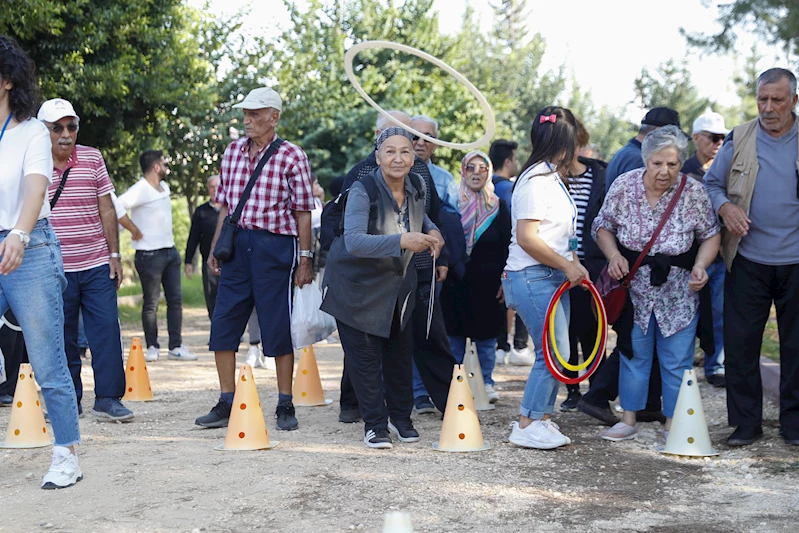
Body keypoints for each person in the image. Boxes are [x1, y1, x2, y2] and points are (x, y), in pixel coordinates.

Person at [196, 87, 315, 431]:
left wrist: (304, 259)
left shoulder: (292, 155)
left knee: (276, 324)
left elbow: (303, 212)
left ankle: (285, 403)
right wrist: (217, 246)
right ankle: (226, 401)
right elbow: (226, 206)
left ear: (274, 117)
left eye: (255, 114)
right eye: (245, 113)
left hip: (274, 245)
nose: (248, 120)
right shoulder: (232, 151)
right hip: (237, 245)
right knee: (224, 323)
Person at [593, 125, 720, 442]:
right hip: (634, 290)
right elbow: (603, 226)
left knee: (676, 360)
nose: (664, 171)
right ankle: (628, 418)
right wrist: (612, 257)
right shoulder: (624, 186)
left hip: (678, 292)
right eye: (657, 163)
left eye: (672, 164)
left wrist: (701, 266)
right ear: (646, 160)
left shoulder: (693, 192)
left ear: (681, 163)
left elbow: (710, 235)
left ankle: (672, 423)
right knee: (633, 355)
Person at [320, 126, 443, 448]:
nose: (398, 158)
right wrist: (403, 240)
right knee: (364, 359)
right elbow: (355, 241)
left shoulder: (417, 184)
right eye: (390, 151)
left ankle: (401, 418)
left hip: (396, 287)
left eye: (405, 151)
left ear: (414, 155)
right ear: (378, 156)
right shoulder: (363, 189)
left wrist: (434, 231)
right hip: (355, 288)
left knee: (400, 355)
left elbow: (420, 218)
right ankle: (375, 425)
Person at [0, 35, 82, 489]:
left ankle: (67, 452)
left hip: (29, 246)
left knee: (48, 360)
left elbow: (35, 188)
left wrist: (19, 232)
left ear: (8, 81)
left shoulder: (31, 130)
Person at [704, 68, 799, 447]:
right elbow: (712, 184)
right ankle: (746, 424)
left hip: (795, 261)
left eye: (777, 100)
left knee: (796, 345)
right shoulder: (739, 137)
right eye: (762, 99)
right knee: (741, 345)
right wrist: (725, 207)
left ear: (793, 100)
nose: (768, 107)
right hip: (747, 259)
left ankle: (793, 424)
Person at [577, 106, 681, 426]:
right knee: (633, 339)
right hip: (631, 263)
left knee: (637, 336)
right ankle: (598, 395)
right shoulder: (638, 162)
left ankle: (648, 402)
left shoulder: (624, 152)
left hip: (626, 261)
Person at [38, 97, 132, 421]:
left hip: (95, 263)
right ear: (43, 131)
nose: (66, 133)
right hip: (54, 266)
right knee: (61, 337)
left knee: (106, 330)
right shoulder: (34, 163)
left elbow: (107, 207)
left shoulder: (92, 158)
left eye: (71, 126)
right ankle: (68, 401)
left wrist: (115, 255)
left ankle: (108, 398)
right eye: (57, 127)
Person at [502, 106, 588, 449]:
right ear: (563, 144)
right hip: (533, 276)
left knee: (559, 352)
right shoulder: (536, 180)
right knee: (551, 353)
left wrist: (573, 263)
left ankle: (542, 418)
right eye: (574, 143)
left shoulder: (552, 178)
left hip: (553, 275)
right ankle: (526, 423)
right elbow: (527, 238)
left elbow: (562, 236)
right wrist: (567, 266)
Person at [441, 151, 510, 403]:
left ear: (489, 173)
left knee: (486, 338)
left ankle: (486, 383)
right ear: (463, 171)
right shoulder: (451, 204)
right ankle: (457, 385)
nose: (477, 172)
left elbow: (507, 245)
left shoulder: (498, 207)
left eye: (483, 168)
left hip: (488, 285)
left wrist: (505, 278)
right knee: (454, 337)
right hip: (456, 282)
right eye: (471, 167)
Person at [184, 175, 273, 369]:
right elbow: (193, 238)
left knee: (253, 302)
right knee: (213, 299)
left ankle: (258, 345)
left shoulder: (237, 207)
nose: (215, 190)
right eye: (211, 187)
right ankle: (223, 333)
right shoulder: (201, 212)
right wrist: (188, 261)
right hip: (212, 260)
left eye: (218, 186)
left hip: (237, 260)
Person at [117, 150, 197, 362]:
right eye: (163, 163)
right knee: (151, 302)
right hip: (149, 254)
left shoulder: (165, 187)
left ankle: (176, 346)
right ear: (155, 167)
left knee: (175, 300)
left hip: (170, 251)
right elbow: (117, 205)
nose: (166, 166)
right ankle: (152, 346)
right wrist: (133, 229)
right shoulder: (141, 189)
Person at [560, 119, 607, 411]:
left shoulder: (600, 175)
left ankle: (598, 391)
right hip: (558, 264)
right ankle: (571, 389)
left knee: (591, 328)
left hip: (591, 265)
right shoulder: (551, 177)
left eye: (574, 143)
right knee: (564, 330)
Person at [683, 111, 730, 388]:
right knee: (687, 315)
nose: (718, 142)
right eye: (713, 137)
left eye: (722, 137)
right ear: (697, 138)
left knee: (720, 312)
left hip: (721, 256)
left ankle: (716, 365)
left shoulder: (726, 170)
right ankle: (683, 364)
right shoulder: (682, 171)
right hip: (688, 257)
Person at [489, 139, 533, 367]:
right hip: (512, 258)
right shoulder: (510, 190)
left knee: (497, 303)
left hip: (489, 258)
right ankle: (519, 346)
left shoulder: (485, 188)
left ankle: (500, 346)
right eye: (515, 159)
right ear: (508, 161)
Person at [605, 107, 681, 191]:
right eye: (673, 135)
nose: (674, 142)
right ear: (660, 132)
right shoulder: (640, 159)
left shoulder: (626, 152)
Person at [411, 115, 458, 212]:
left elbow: (452, 218)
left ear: (435, 144)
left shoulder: (445, 180)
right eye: (415, 136)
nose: (420, 143)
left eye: (427, 138)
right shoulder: (393, 173)